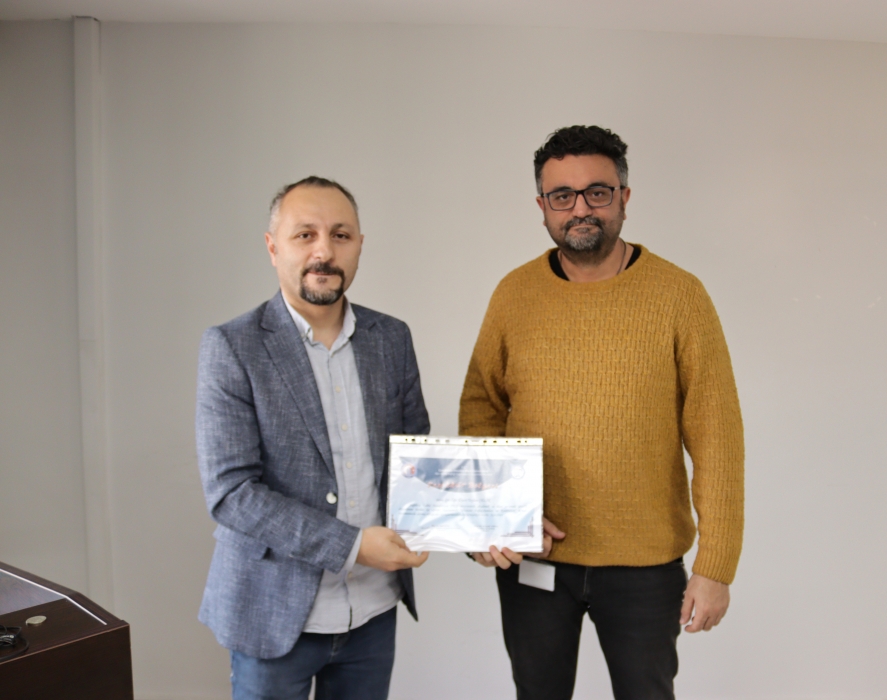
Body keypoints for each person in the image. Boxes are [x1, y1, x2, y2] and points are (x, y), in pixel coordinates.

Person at [459, 126, 745, 700]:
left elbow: (718, 437)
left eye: (597, 192)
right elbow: (481, 408)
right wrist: (495, 515)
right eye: (562, 195)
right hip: (536, 556)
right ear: (542, 206)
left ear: (624, 197)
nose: (580, 208)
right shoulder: (514, 294)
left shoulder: (680, 295)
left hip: (645, 565)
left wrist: (716, 566)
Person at [196, 176, 430, 700]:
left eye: (340, 235)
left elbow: (415, 456)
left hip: (373, 610)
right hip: (271, 612)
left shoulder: (391, 338)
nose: (324, 251)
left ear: (359, 245)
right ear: (272, 246)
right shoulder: (232, 347)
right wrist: (353, 546)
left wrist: (479, 525)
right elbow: (231, 493)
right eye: (305, 235)